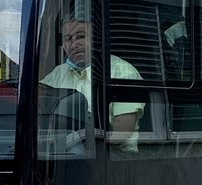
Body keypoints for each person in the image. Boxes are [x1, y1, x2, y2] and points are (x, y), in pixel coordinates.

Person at [40, 15, 144, 150]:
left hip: (112, 158)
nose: (74, 44)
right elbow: (37, 103)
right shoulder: (59, 73)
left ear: (96, 39)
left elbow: (122, 132)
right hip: (64, 154)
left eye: (81, 37)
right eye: (68, 39)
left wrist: (86, 149)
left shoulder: (123, 71)